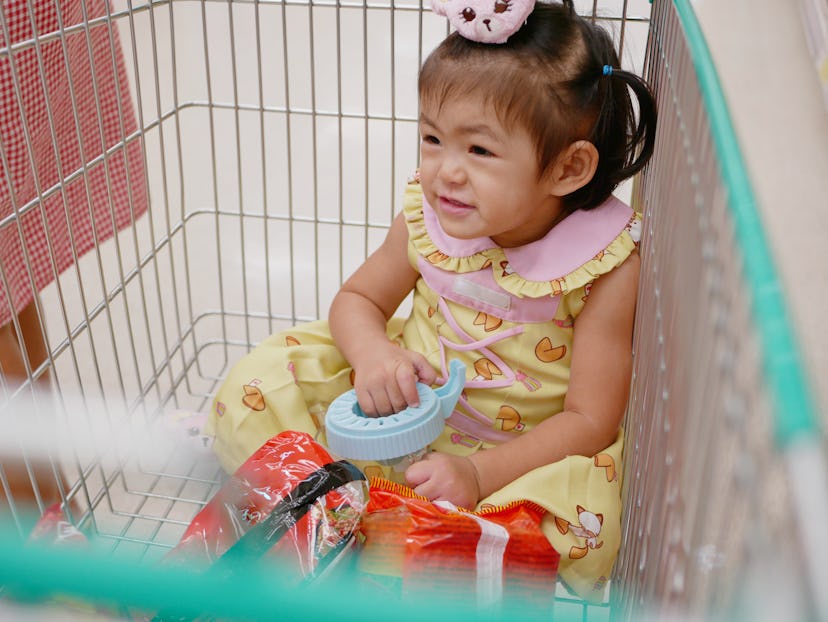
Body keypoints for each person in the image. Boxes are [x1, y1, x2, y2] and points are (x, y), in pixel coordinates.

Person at [207, 0, 656, 600]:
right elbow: (358, 299)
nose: (445, 171)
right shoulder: (427, 218)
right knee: (260, 382)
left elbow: (591, 421)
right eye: (433, 137)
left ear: (568, 168)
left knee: (574, 531)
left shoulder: (603, 267)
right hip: (398, 412)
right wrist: (372, 357)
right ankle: (355, 519)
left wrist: (478, 473)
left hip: (509, 460)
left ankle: (381, 528)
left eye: (480, 151)